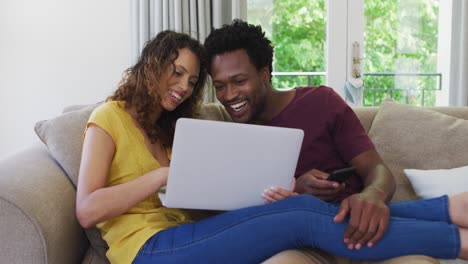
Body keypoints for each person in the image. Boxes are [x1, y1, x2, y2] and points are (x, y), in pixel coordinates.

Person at [76, 30, 468, 264]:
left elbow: (193, 204)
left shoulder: (170, 130)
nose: (183, 86)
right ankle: (461, 242)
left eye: (192, 80)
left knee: (299, 206)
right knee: (301, 216)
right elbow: (87, 209)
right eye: (176, 72)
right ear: (151, 65)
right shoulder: (108, 117)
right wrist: (162, 175)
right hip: (147, 252)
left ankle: (451, 209)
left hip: (185, 235)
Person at [203, 19, 396, 251]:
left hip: (356, 230)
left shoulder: (321, 102)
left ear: (264, 74)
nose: (229, 95)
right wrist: (296, 190)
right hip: (297, 245)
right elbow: (239, 215)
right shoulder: (229, 137)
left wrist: (372, 194)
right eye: (220, 86)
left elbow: (378, 169)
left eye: (240, 81)